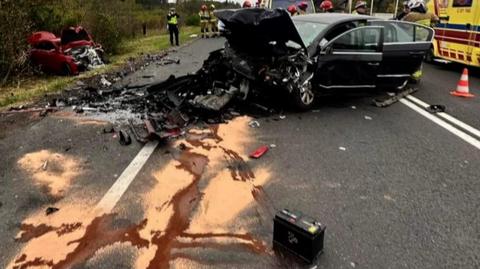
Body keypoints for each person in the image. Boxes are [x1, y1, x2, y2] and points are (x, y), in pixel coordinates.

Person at [402, 0, 439, 82]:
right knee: (420, 58)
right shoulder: (430, 14)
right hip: (425, 41)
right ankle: (416, 76)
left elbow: (402, 25)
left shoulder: (411, 15)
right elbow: (437, 19)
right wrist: (432, 25)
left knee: (409, 58)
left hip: (412, 40)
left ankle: (409, 75)